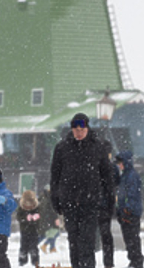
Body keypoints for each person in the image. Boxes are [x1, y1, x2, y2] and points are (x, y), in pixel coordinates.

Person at [50, 112, 114, 268]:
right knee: (74, 241)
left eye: (82, 129)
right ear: (71, 129)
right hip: (69, 202)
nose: (79, 132)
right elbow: (55, 176)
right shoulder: (62, 148)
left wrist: (109, 201)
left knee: (87, 241)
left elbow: (107, 176)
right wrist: (55, 199)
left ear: (87, 128)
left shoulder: (98, 147)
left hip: (90, 202)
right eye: (76, 129)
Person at [114, 151, 144, 268]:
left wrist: (128, 209)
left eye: (120, 162)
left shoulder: (130, 176)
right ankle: (134, 261)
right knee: (130, 239)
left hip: (131, 213)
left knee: (132, 238)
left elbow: (132, 194)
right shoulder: (126, 175)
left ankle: (136, 261)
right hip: (128, 212)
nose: (119, 165)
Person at [16, 190, 43, 267]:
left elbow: (41, 217)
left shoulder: (37, 207)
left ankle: (35, 261)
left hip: (34, 230)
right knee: (23, 246)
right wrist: (25, 218)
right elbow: (18, 217)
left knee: (34, 246)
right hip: (24, 230)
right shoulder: (21, 208)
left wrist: (36, 218)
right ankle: (22, 260)